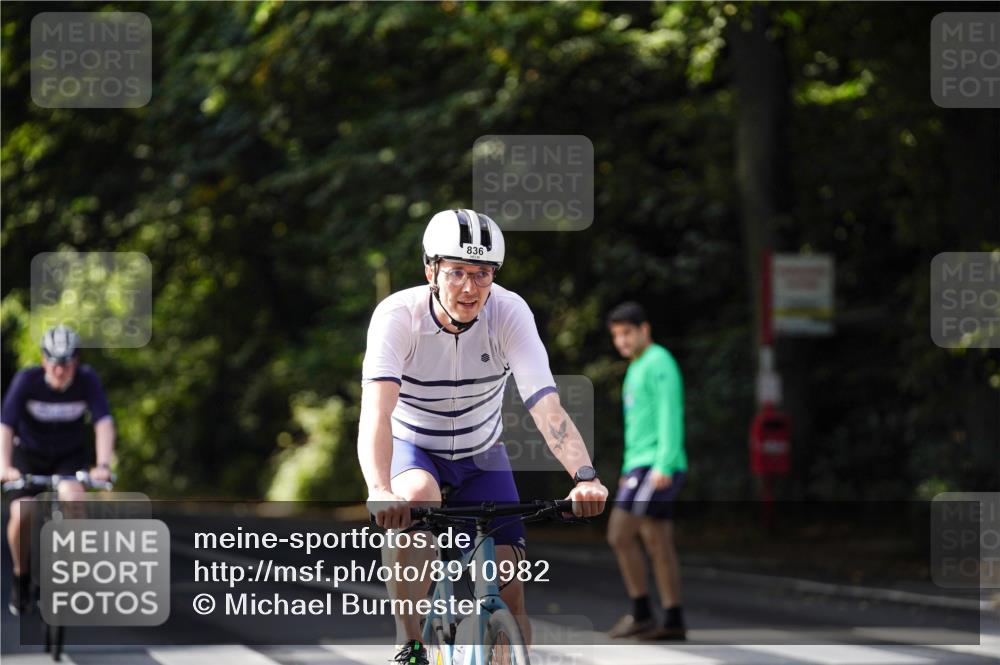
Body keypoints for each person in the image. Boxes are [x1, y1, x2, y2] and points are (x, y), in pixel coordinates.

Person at [360, 209, 608, 664]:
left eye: (482, 273)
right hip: (414, 447)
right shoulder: (398, 316)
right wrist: (379, 488)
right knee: (416, 495)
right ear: (431, 271)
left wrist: (585, 476)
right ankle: (408, 639)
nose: (470, 287)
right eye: (456, 272)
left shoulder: (509, 313)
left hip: (482, 452)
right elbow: (377, 413)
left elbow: (546, 406)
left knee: (509, 593)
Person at [0, 325, 115, 615]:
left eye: (66, 363)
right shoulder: (27, 380)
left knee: (74, 500)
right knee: (22, 512)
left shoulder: (87, 380)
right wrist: (5, 465)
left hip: (68, 456)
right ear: (43, 360)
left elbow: (103, 422)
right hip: (29, 456)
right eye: (53, 362)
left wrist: (103, 465)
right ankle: (21, 575)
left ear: (76, 361)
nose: (60, 370)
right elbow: (6, 426)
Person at [605, 302, 688, 640]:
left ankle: (642, 613)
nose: (622, 341)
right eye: (616, 335)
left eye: (627, 333)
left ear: (644, 330)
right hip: (639, 465)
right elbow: (637, 425)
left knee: (619, 534)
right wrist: (628, 468)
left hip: (656, 464)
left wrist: (664, 464)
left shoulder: (658, 361)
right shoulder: (635, 367)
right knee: (657, 540)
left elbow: (670, 412)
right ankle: (672, 618)